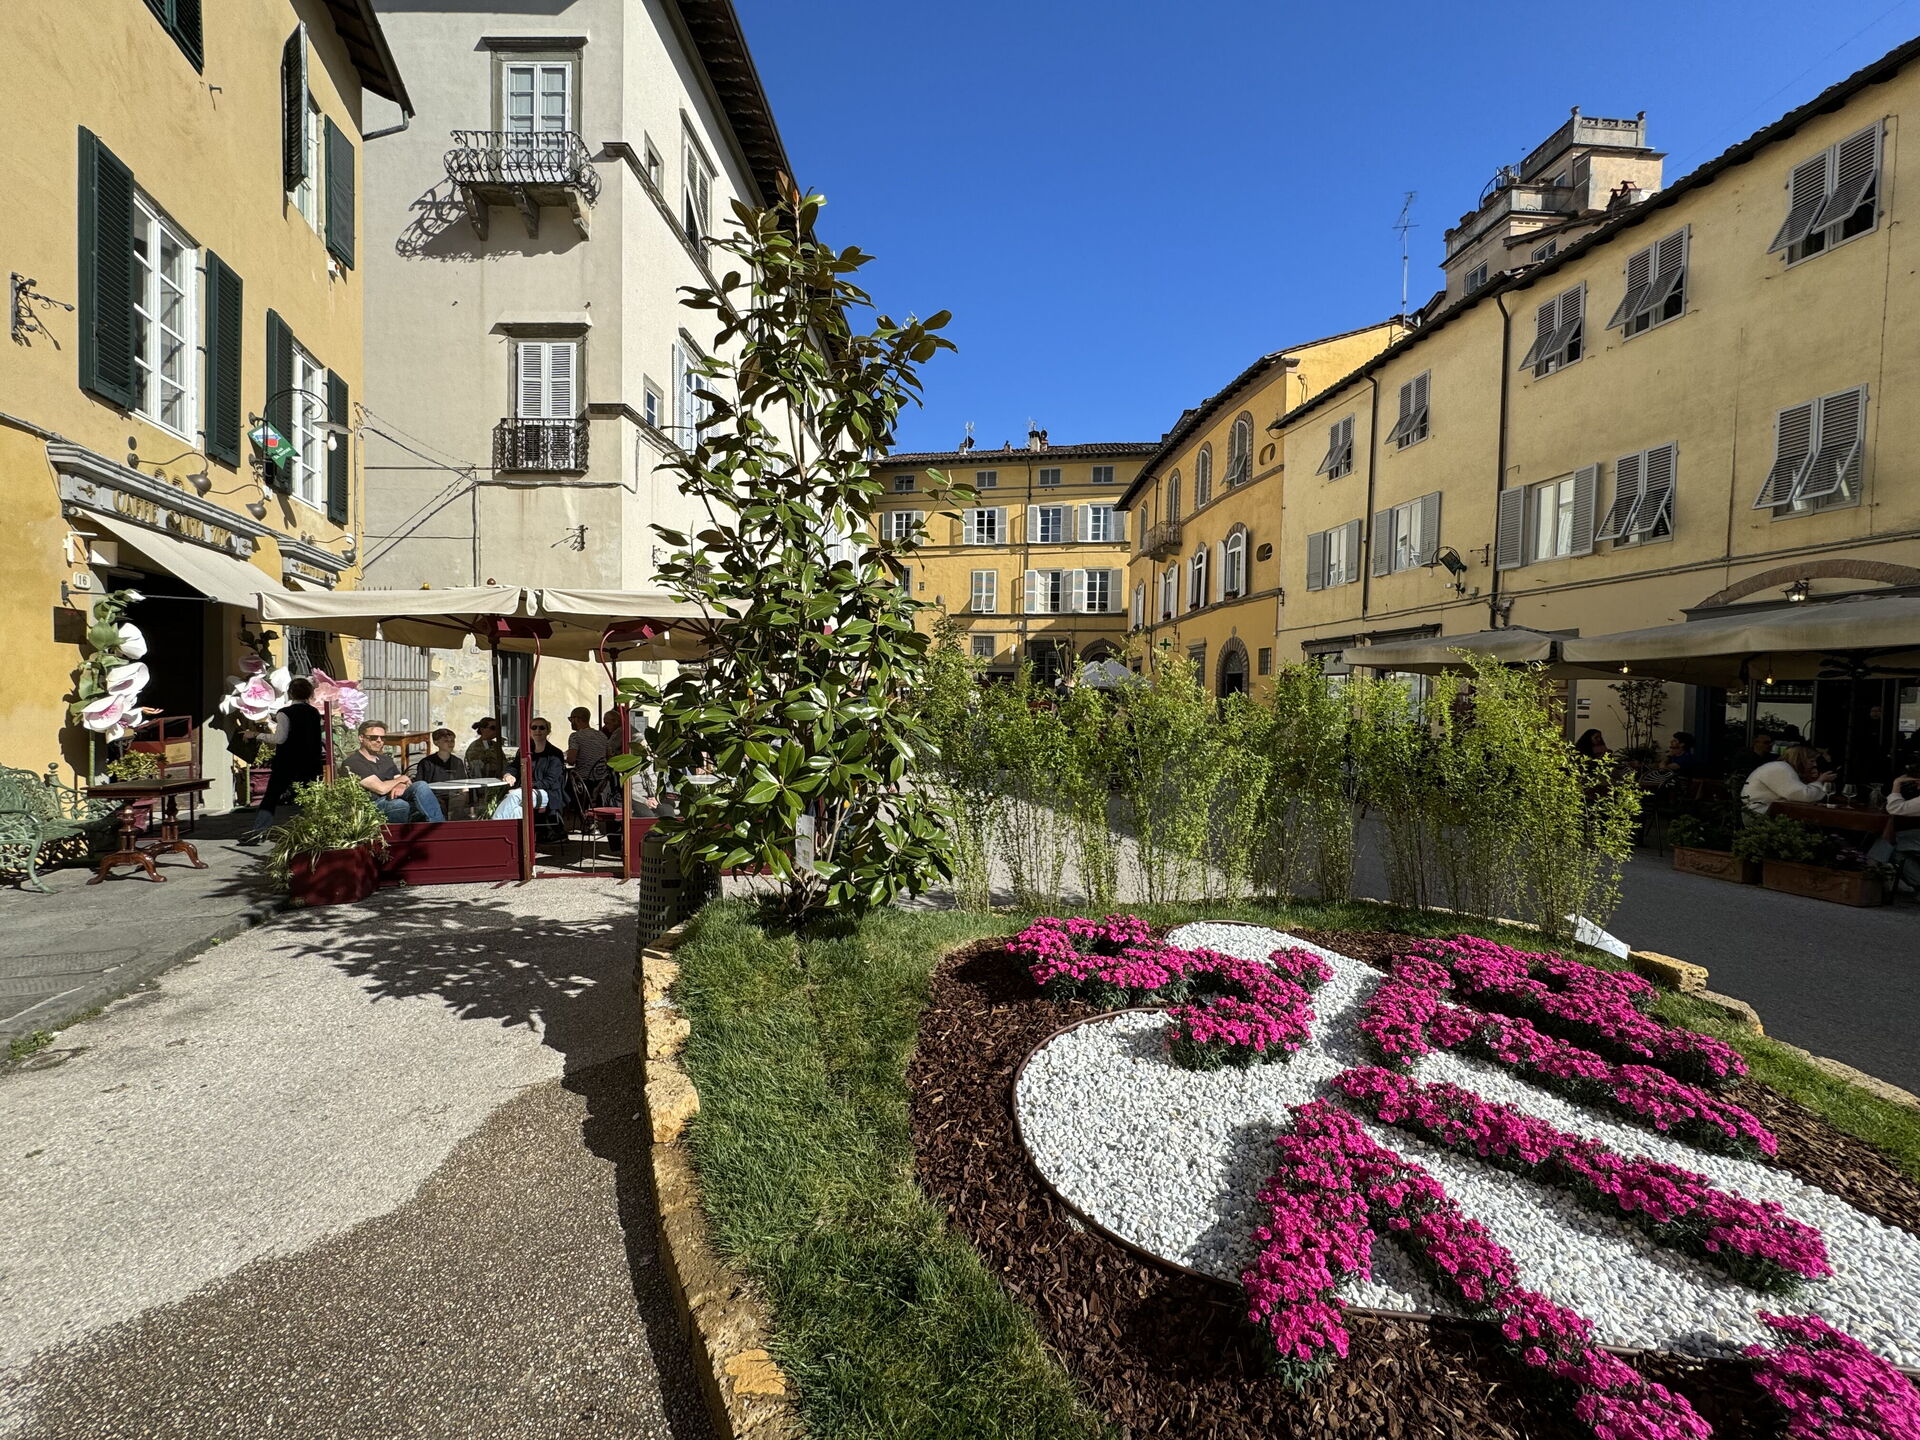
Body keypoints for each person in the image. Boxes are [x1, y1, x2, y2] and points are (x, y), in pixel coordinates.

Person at [245, 677, 325, 839]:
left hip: (287, 762)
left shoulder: (284, 713)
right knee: (309, 798)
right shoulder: (314, 713)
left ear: (290, 693)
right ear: (309, 693)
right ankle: (311, 834)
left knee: (271, 797)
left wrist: (256, 735)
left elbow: (280, 738)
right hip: (310, 762)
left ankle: (258, 832)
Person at [344, 721, 446, 823]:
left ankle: (439, 826)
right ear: (361, 738)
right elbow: (381, 789)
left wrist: (401, 784)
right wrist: (401, 779)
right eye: (374, 737)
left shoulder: (385, 759)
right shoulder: (353, 763)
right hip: (373, 805)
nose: (379, 741)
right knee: (400, 805)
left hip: (392, 797)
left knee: (421, 785)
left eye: (382, 738)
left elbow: (404, 781)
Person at [494, 717, 566, 825]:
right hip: (525, 790)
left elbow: (550, 781)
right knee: (516, 810)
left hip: (548, 793)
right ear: (529, 731)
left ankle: (493, 827)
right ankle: (515, 833)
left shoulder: (555, 753)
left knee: (513, 796)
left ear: (548, 731)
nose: (537, 730)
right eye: (534, 727)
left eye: (542, 728)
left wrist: (525, 788)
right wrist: (508, 774)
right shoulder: (525, 751)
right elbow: (514, 766)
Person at [1741, 743, 1836, 815]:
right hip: (1760, 816)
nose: (1815, 764)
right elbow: (1803, 796)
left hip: (1764, 814)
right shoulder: (1780, 768)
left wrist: (1812, 779)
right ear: (1800, 759)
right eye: (1811, 761)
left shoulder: (1783, 767)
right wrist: (1820, 781)